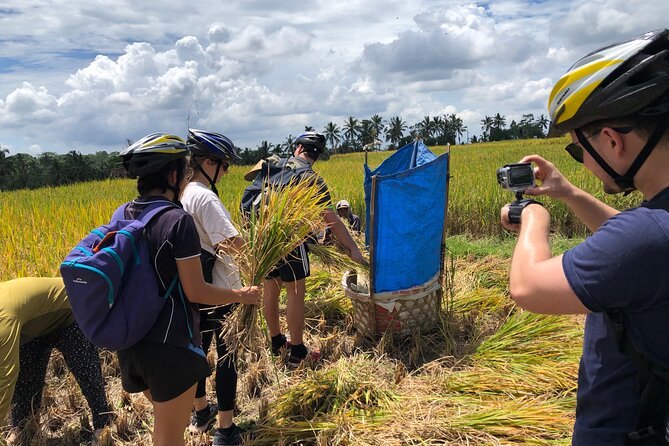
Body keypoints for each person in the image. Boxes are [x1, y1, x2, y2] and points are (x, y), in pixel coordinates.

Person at [500, 29, 669, 445]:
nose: (582, 163)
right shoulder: (653, 230)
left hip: (625, 429)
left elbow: (527, 287)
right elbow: (636, 243)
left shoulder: (644, 237)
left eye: (579, 150)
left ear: (612, 140)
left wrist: (534, 218)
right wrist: (569, 193)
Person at [116, 132, 261, 446]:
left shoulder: (123, 213)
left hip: (133, 340)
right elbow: (196, 289)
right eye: (183, 167)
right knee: (170, 435)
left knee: (166, 430)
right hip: (172, 339)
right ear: (172, 174)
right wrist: (242, 294)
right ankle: (225, 430)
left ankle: (202, 412)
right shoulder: (177, 218)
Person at [260, 131, 365, 367]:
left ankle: (276, 342)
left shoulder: (275, 168)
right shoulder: (311, 179)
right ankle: (297, 351)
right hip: (291, 242)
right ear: (316, 155)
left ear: (297, 148)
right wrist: (353, 248)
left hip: (266, 238)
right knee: (296, 293)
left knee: (271, 290)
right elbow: (332, 220)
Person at [181, 129, 245, 445]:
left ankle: (201, 411)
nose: (226, 171)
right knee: (226, 358)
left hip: (194, 290)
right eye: (224, 165)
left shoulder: (181, 194)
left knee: (197, 353)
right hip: (221, 291)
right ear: (208, 162)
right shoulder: (205, 197)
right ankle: (225, 429)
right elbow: (233, 243)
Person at [0, 277, 112, 444]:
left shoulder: (3, 322)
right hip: (32, 327)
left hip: (69, 313)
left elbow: (6, 377)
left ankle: (103, 423)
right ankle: (23, 430)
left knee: (87, 373)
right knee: (25, 388)